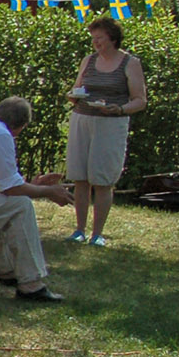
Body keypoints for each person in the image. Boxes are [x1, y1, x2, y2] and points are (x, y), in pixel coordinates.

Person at [0, 97, 71, 303]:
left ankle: (7, 271)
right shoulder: (0, 136)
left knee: (2, 202)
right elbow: (12, 188)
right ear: (22, 126)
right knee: (20, 206)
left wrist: (36, 185)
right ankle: (31, 284)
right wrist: (48, 191)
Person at [66, 15, 147, 247]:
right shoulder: (88, 60)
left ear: (112, 38)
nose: (96, 43)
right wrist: (73, 96)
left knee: (102, 178)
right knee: (80, 177)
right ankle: (79, 229)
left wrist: (119, 109)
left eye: (99, 38)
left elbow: (140, 100)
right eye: (93, 39)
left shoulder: (129, 63)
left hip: (111, 123)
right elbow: (77, 88)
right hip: (82, 119)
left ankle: (97, 234)